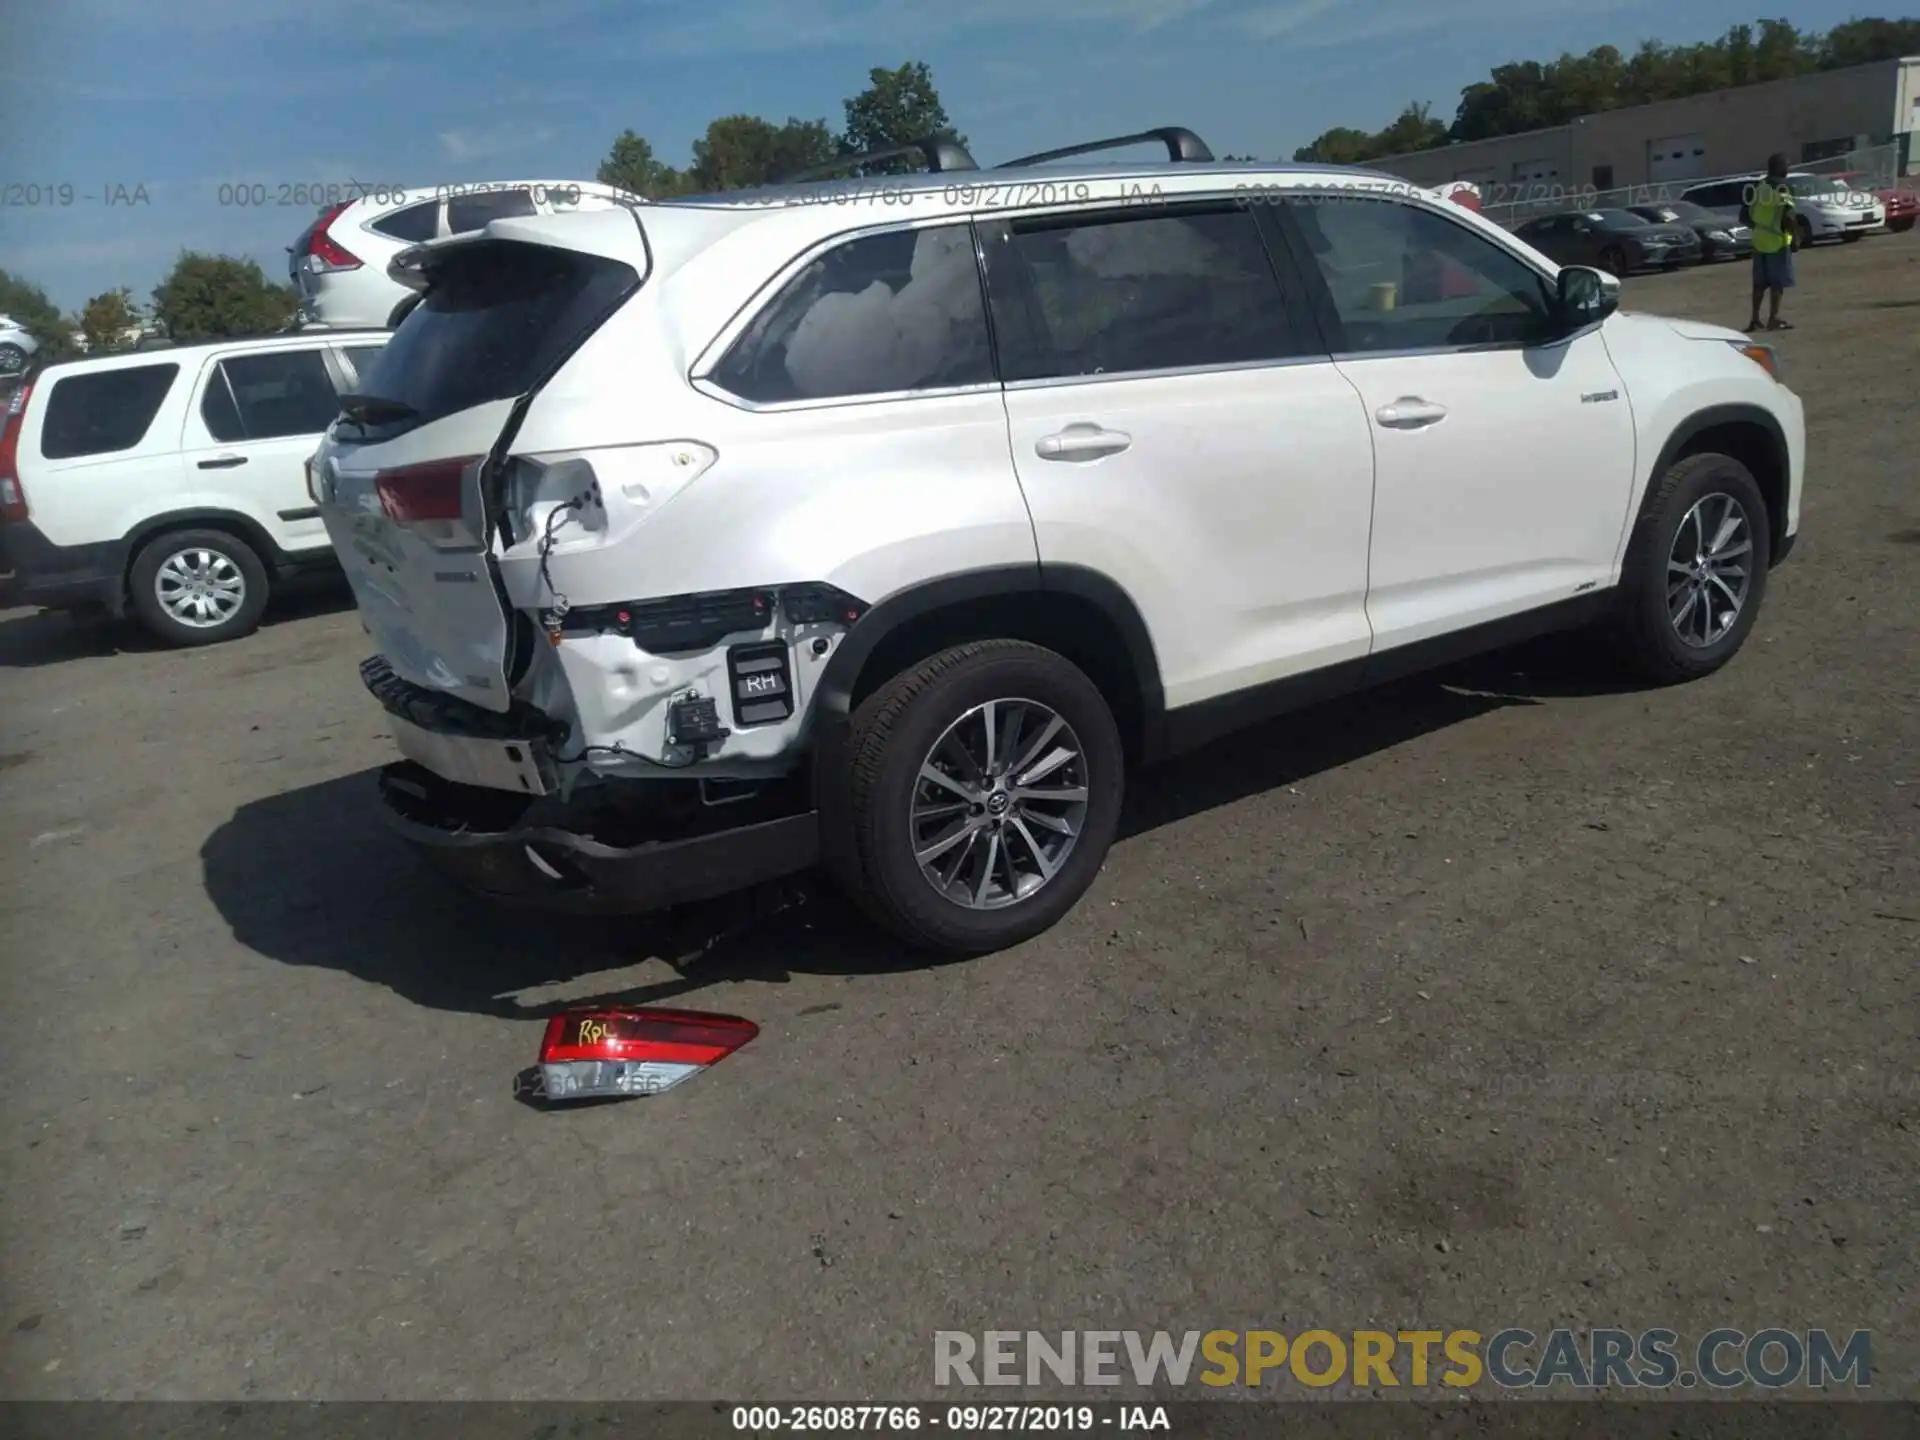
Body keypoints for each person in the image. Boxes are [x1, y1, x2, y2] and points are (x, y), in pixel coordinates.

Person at [1745, 154, 1798, 333]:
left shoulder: (1757, 186)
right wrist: (1794, 238)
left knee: (1759, 283)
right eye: (1786, 166)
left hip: (1759, 240)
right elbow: (1788, 217)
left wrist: (1759, 227)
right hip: (1777, 240)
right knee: (1777, 283)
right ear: (1779, 167)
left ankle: (1754, 319)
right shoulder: (1783, 187)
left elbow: (1743, 215)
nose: (1788, 169)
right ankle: (1773, 318)